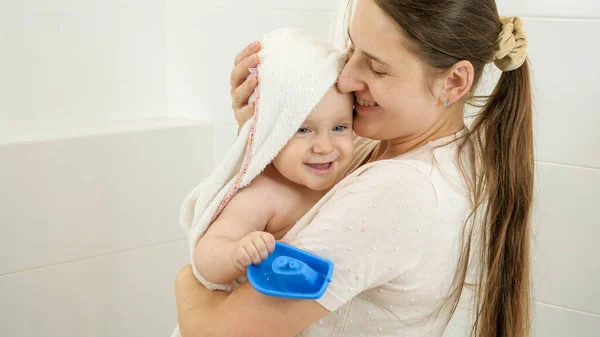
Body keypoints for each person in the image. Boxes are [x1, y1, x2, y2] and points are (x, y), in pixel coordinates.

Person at [174, 0, 533, 336]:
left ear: (454, 82)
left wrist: (186, 281)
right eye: (351, 49)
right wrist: (265, 133)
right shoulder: (401, 149)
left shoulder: (400, 190)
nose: (345, 79)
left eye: (376, 67)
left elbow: (214, 332)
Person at [195, 84, 354, 285]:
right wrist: (237, 254)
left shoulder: (350, 175)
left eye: (339, 128)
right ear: (269, 134)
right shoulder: (261, 194)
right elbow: (205, 256)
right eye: (303, 130)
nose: (324, 147)